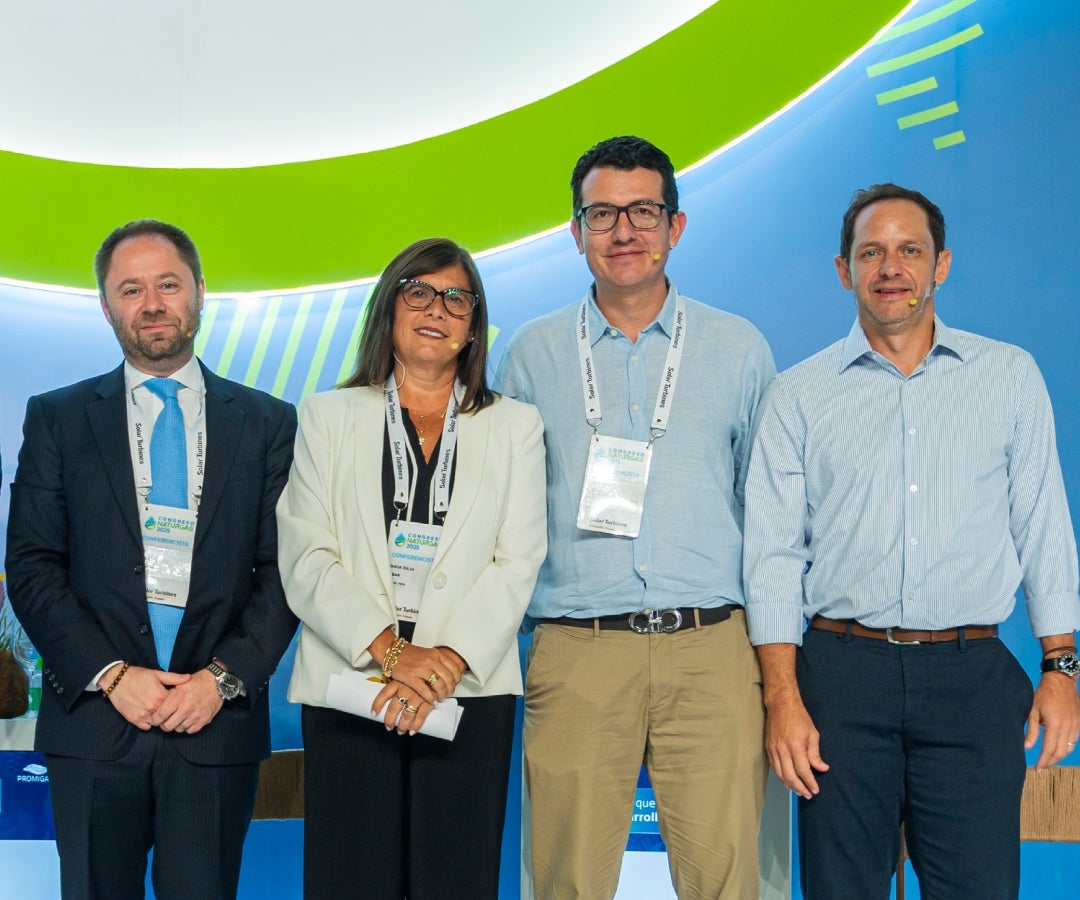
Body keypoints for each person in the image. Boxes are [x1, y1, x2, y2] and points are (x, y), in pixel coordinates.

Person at [743, 183, 1080, 899]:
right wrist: (782, 698)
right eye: (871, 252)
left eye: (909, 250)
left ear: (941, 265)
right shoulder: (797, 395)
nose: (890, 267)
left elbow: (1044, 525)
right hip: (839, 679)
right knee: (841, 889)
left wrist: (1063, 669)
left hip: (972, 677)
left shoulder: (1009, 377)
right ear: (844, 270)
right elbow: (772, 555)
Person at [496, 135, 776, 900]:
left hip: (712, 648)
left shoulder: (738, 347)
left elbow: (773, 517)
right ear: (576, 231)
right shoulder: (530, 354)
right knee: (566, 883)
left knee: (727, 881)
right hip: (578, 648)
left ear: (676, 226)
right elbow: (505, 511)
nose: (624, 231)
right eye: (603, 213)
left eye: (644, 211)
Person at [4, 219, 298, 900]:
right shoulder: (59, 419)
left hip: (213, 724)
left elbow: (284, 571)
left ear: (200, 291)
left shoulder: (267, 422)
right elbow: (32, 564)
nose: (153, 303)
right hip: (95, 724)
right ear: (107, 307)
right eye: (130, 289)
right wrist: (111, 675)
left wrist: (220, 681)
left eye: (168, 284)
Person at [277, 237, 546, 900]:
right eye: (418, 291)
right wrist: (393, 653)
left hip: (467, 687)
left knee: (455, 878)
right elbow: (306, 550)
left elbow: (518, 559)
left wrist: (444, 661)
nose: (437, 308)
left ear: (474, 324)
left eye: (457, 297)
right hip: (353, 677)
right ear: (388, 309)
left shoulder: (515, 426)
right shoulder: (327, 415)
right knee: (351, 877)